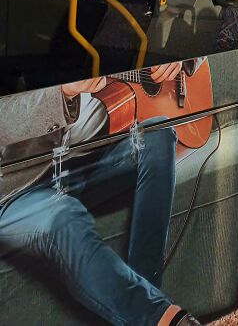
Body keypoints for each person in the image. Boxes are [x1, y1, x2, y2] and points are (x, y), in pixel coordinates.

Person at [0, 63, 201, 326]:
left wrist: (180, 60)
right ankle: (161, 318)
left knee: (158, 133)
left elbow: (194, 32)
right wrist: (63, 92)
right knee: (63, 216)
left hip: (68, 162)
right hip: (12, 193)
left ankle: (149, 296)